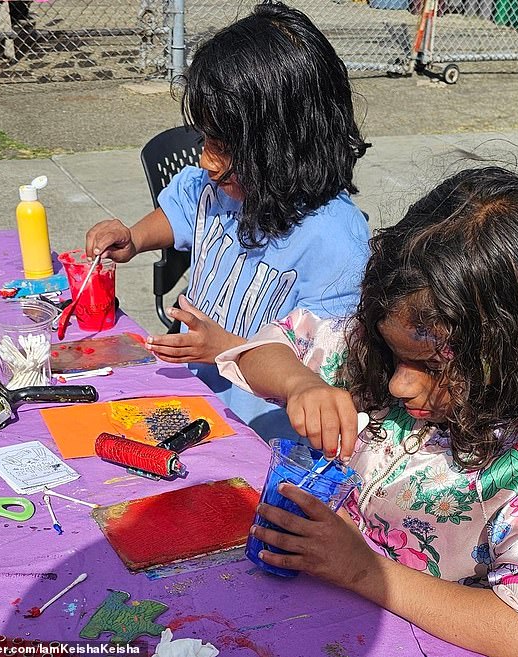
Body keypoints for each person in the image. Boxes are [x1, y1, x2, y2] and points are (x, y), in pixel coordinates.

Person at [215, 166, 518, 657]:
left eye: (430, 365)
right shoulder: (383, 347)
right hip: (300, 614)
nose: (397, 383)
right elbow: (260, 349)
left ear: (517, 354)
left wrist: (361, 569)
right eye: (395, 356)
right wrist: (300, 382)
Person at [85, 1, 370, 439]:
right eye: (204, 138)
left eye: (220, 143)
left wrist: (229, 350)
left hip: (261, 431)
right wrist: (135, 237)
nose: (204, 159)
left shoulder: (336, 241)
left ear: (285, 144)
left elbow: (325, 375)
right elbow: (181, 210)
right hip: (196, 398)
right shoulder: (219, 187)